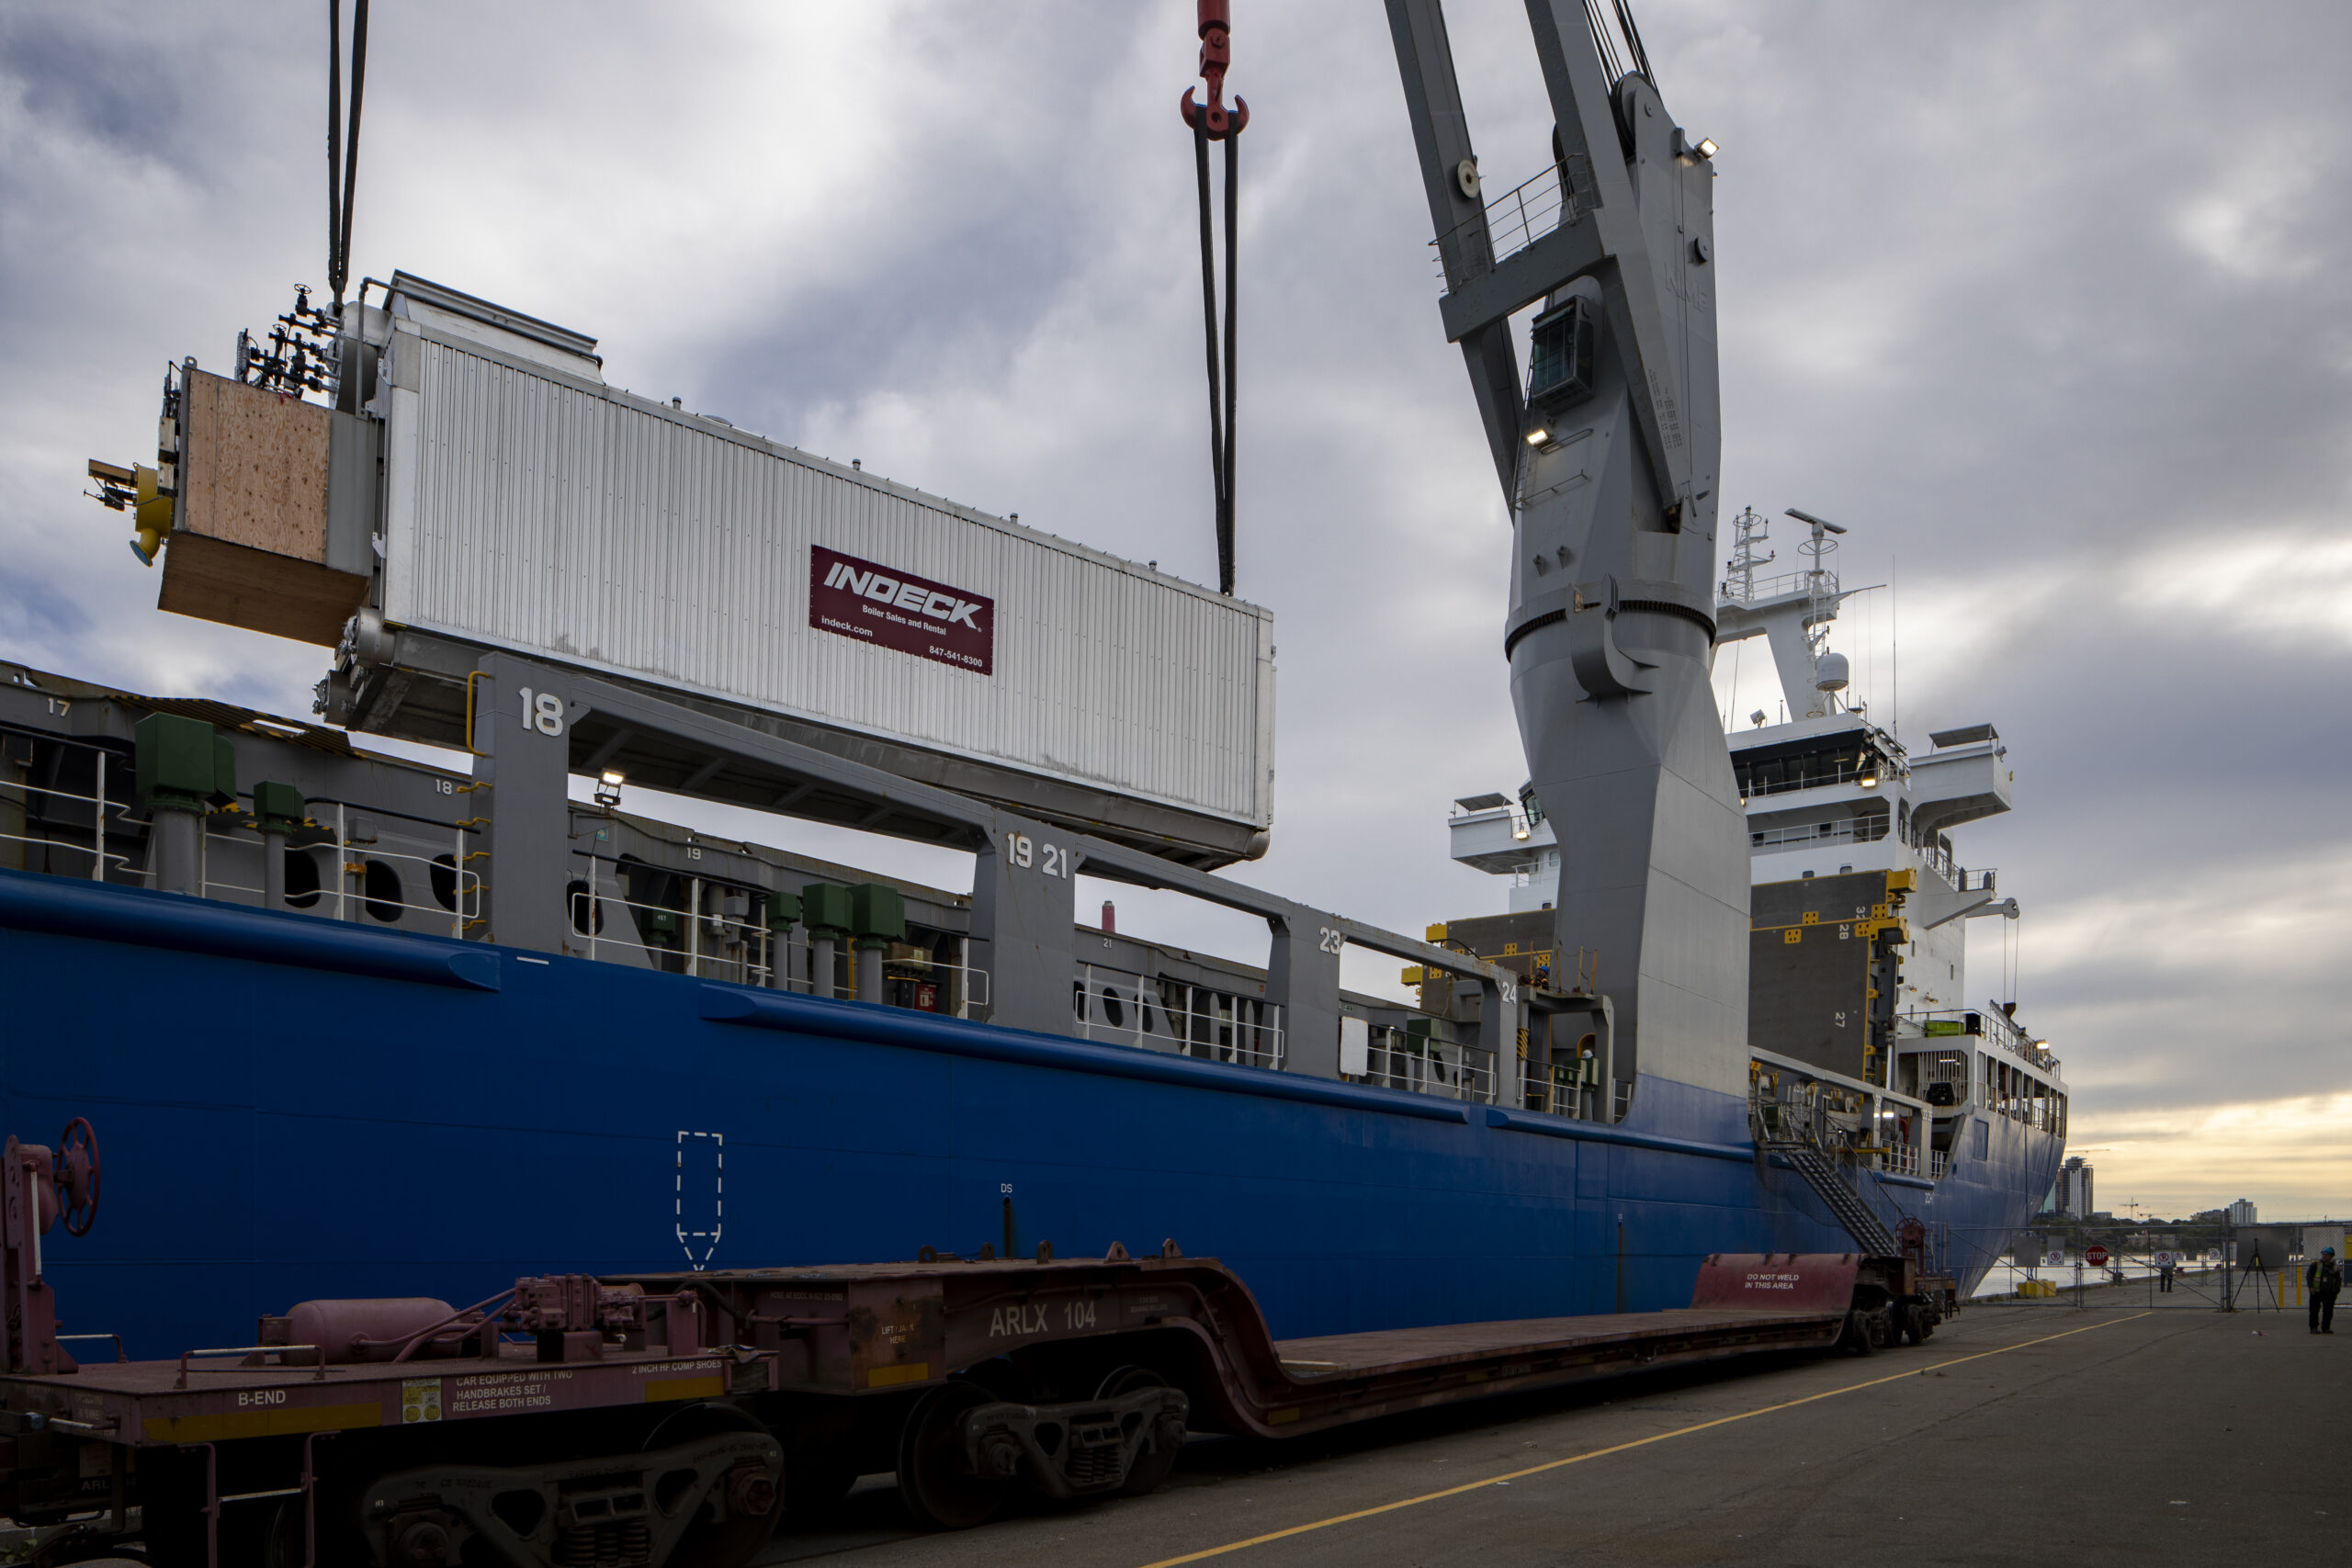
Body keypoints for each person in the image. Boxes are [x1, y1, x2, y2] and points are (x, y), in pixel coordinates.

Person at [2309, 1247, 2342, 1334]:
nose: (2324, 1256)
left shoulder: (2335, 1267)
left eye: (2327, 1255)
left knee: (2328, 1311)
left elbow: (2338, 1280)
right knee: (2314, 1310)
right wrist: (2311, 1287)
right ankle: (2313, 1327)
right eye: (2323, 1254)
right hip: (2316, 1292)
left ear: (2331, 1256)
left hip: (2330, 1293)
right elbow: (2309, 1276)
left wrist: (2336, 1290)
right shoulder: (2315, 1265)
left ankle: (2326, 1328)